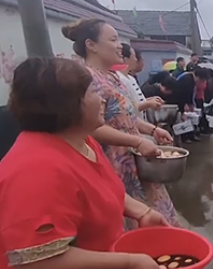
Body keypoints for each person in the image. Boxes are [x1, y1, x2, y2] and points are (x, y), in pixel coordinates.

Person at [0, 57, 169, 269]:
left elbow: (103, 187)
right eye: (92, 92)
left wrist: (142, 211)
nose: (101, 98)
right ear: (68, 105)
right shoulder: (36, 169)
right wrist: (127, 263)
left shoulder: (80, 140)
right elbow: (36, 262)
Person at [61, 19, 180, 228]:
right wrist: (137, 142)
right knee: (131, 221)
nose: (120, 46)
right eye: (113, 39)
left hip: (135, 157)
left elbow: (127, 115)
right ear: (92, 45)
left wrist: (152, 130)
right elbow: (93, 129)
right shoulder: (87, 79)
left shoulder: (114, 77)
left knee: (155, 214)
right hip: (114, 162)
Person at [117, 44, 163, 117]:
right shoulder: (119, 79)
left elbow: (136, 101)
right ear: (126, 59)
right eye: (134, 57)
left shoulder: (131, 78)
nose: (136, 60)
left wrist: (150, 100)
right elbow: (126, 108)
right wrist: (148, 104)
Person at [176, 68, 207, 142]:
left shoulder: (191, 79)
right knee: (184, 119)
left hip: (187, 102)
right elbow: (181, 94)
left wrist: (191, 104)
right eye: (201, 80)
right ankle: (185, 138)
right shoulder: (187, 80)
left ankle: (191, 135)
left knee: (190, 119)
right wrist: (184, 106)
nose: (200, 82)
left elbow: (190, 94)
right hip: (180, 101)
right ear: (198, 77)